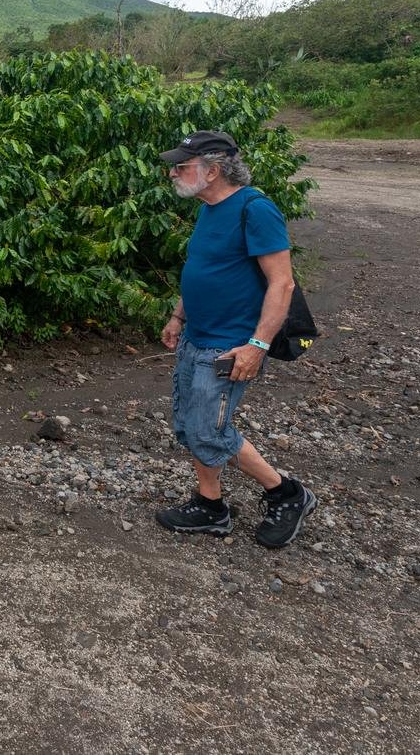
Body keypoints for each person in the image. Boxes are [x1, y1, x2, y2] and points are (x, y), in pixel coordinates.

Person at [154, 129, 318, 548]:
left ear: (212, 170)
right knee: (189, 425)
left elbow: (281, 284)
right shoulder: (208, 208)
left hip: (229, 344)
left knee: (209, 429)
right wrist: (177, 316)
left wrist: (256, 346)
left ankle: (286, 493)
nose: (173, 172)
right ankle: (211, 505)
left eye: (181, 166)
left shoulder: (255, 209)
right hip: (196, 336)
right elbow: (201, 269)